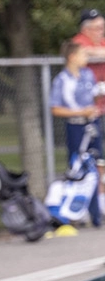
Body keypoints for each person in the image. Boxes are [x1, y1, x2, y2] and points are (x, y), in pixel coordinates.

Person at [51, 39, 103, 227]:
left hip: (93, 124)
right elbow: (56, 108)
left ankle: (97, 214)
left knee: (98, 165)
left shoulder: (88, 74)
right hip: (76, 126)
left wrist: (97, 98)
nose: (86, 58)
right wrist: (82, 112)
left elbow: (94, 94)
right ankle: (75, 213)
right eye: (83, 54)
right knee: (78, 168)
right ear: (72, 57)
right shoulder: (62, 80)